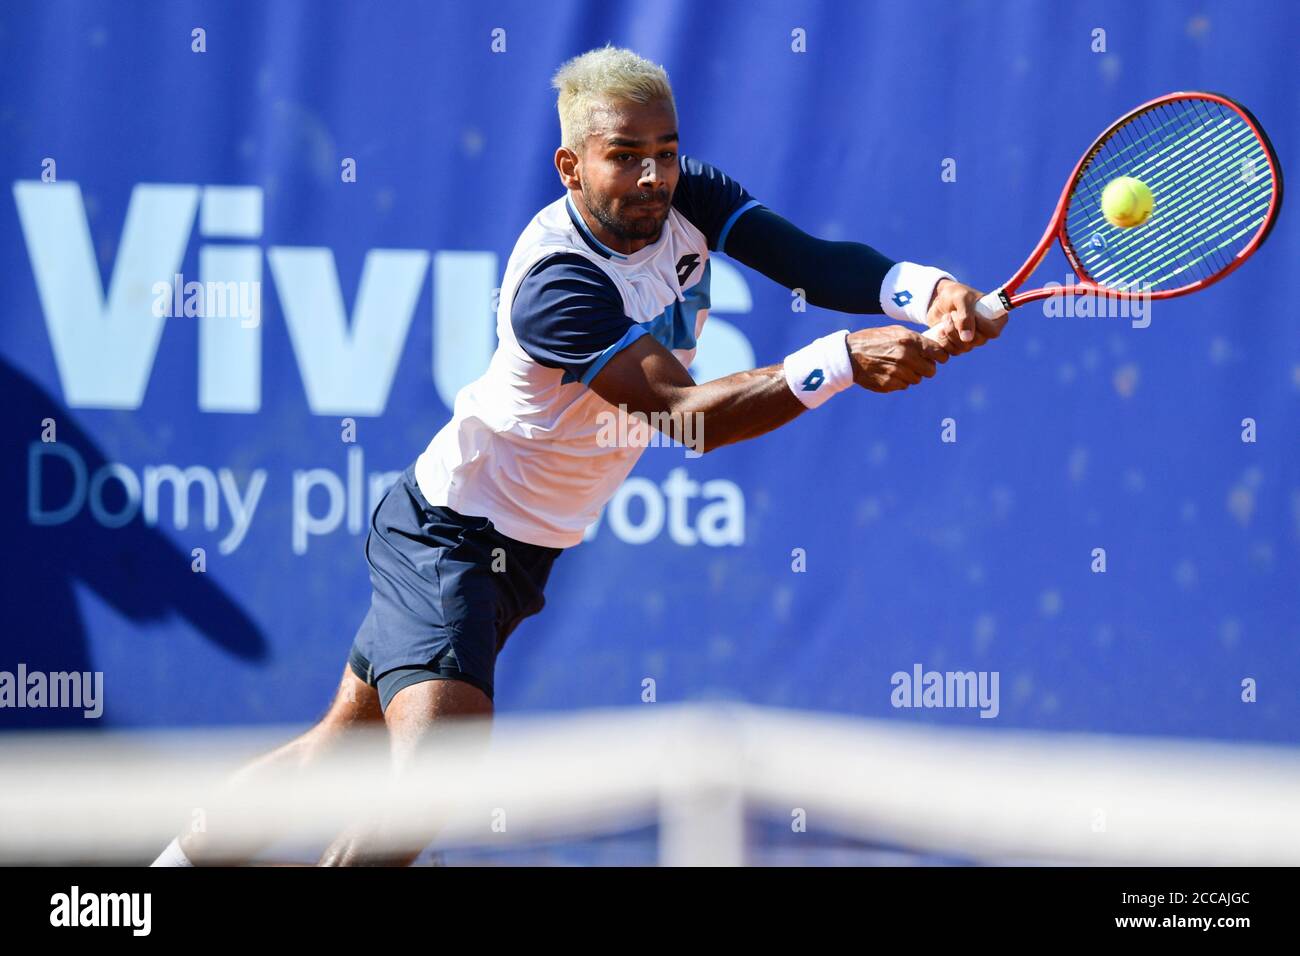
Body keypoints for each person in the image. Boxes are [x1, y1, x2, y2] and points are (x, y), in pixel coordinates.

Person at [152, 44, 1002, 868]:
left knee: (339, 751)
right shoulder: (556, 285)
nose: (653, 178)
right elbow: (686, 417)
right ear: (569, 166)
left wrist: (927, 290)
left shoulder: (687, 199)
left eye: (666, 153)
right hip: (451, 538)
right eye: (624, 156)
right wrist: (845, 360)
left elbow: (811, 263)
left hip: (524, 548)